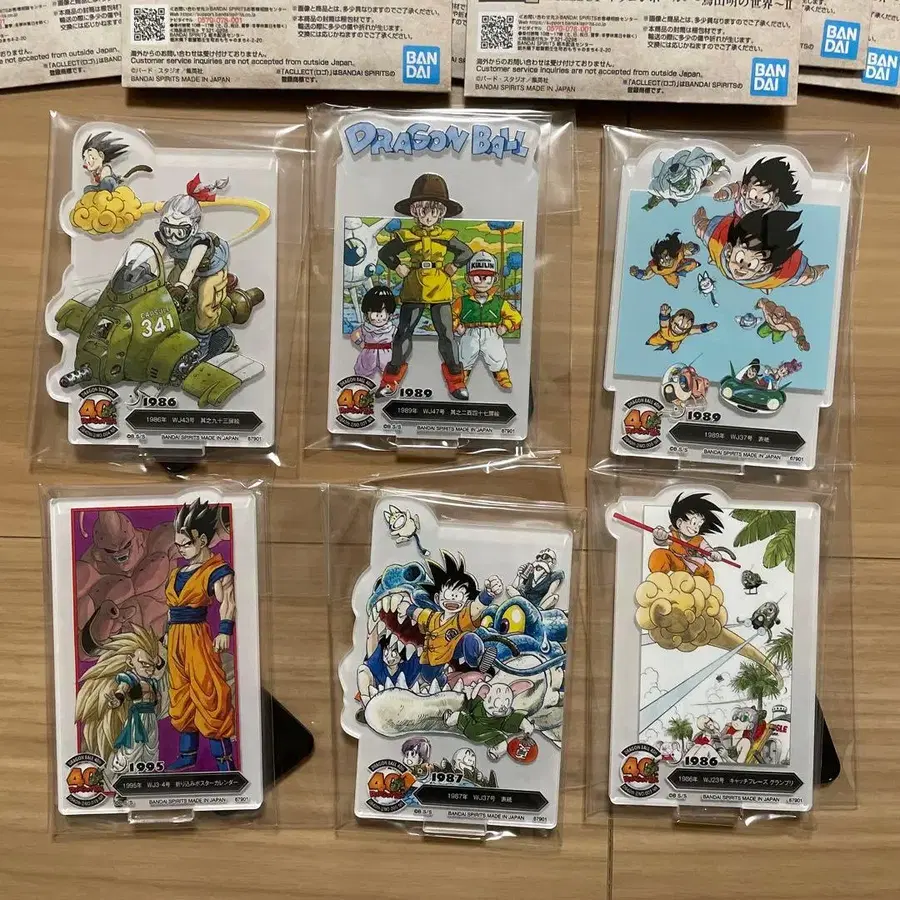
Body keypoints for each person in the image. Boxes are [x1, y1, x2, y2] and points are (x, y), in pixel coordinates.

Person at [375, 174, 474, 400]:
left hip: (440, 288)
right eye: (423, 211)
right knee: (403, 333)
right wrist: (398, 265)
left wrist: (453, 266)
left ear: (441, 213)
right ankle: (390, 380)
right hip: (414, 287)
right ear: (415, 212)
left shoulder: (447, 236)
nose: (428, 217)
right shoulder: (407, 235)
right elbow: (385, 252)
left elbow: (466, 252)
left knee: (447, 335)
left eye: (434, 212)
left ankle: (456, 382)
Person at [165, 499, 237, 771]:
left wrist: (224, 630)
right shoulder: (177, 573)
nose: (181, 549)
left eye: (186, 544)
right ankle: (188, 755)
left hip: (198, 637)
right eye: (178, 545)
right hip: (175, 638)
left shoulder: (217, 571)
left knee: (209, 693)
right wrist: (166, 636)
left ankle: (224, 762)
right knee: (180, 694)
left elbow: (228, 602)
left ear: (203, 540)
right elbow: (171, 610)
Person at [452, 250, 521, 390]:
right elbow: (451, 315)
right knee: (464, 357)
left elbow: (515, 316)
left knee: (497, 355)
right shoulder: (462, 301)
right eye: (477, 278)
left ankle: (502, 376)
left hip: (491, 333)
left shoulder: (499, 302)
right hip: (469, 333)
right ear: (468, 279)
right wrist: (457, 326)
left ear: (494, 279)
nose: (482, 281)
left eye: (487, 278)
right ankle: (461, 378)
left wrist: (505, 326)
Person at [649, 492, 725, 584]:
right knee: (659, 554)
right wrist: (660, 536)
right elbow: (664, 541)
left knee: (708, 571)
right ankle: (658, 579)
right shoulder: (674, 535)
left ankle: (706, 588)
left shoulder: (699, 540)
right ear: (679, 523)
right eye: (693, 523)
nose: (695, 528)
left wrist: (713, 554)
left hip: (695, 565)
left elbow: (707, 550)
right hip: (677, 562)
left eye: (699, 525)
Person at [81, 131, 152, 194]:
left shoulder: (105, 169)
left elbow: (104, 181)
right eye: (85, 159)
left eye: (91, 157)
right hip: (102, 191)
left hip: (112, 188)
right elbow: (95, 183)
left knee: (107, 180)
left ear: (101, 156)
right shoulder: (96, 172)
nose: (88, 162)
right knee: (88, 189)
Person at [351, 285, 397, 379]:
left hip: (386, 354)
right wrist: (361, 343)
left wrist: (395, 347)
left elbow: (399, 338)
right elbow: (355, 335)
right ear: (367, 313)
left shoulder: (390, 328)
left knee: (389, 375)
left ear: (390, 314)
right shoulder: (366, 327)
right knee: (363, 374)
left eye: (383, 313)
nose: (378, 317)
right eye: (374, 312)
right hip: (368, 354)